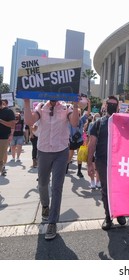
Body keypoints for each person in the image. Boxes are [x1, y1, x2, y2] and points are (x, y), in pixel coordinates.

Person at [23, 98, 79, 240]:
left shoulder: (67, 107)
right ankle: (45, 206)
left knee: (57, 187)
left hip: (61, 151)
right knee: (42, 184)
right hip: (43, 150)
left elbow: (74, 123)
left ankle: (52, 222)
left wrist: (76, 103)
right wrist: (26, 102)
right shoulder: (41, 106)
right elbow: (30, 122)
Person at [87, 96, 126, 230]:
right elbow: (92, 144)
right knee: (105, 189)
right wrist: (89, 163)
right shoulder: (98, 123)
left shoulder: (123, 123)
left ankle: (120, 213)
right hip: (102, 161)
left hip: (119, 162)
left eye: (114, 104)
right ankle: (108, 217)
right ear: (105, 105)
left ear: (118, 107)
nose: (112, 105)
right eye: (110, 103)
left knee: (120, 189)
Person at [67, 98, 91, 178]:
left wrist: (89, 104)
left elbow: (88, 113)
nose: (78, 114)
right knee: (70, 155)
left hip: (80, 140)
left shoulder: (82, 120)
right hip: (72, 140)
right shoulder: (71, 120)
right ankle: (66, 169)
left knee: (79, 155)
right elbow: (69, 130)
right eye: (77, 113)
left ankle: (79, 171)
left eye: (79, 113)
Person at [0, 100, 15, 176]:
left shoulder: (8, 112)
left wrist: (1, 121)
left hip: (3, 138)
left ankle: (2, 167)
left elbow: (12, 124)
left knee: (2, 155)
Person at [86, 113, 101, 189]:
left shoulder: (102, 124)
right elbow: (89, 136)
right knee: (92, 165)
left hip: (99, 148)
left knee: (98, 166)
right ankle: (92, 181)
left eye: (99, 116)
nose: (97, 117)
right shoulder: (92, 124)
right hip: (92, 147)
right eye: (96, 116)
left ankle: (98, 181)